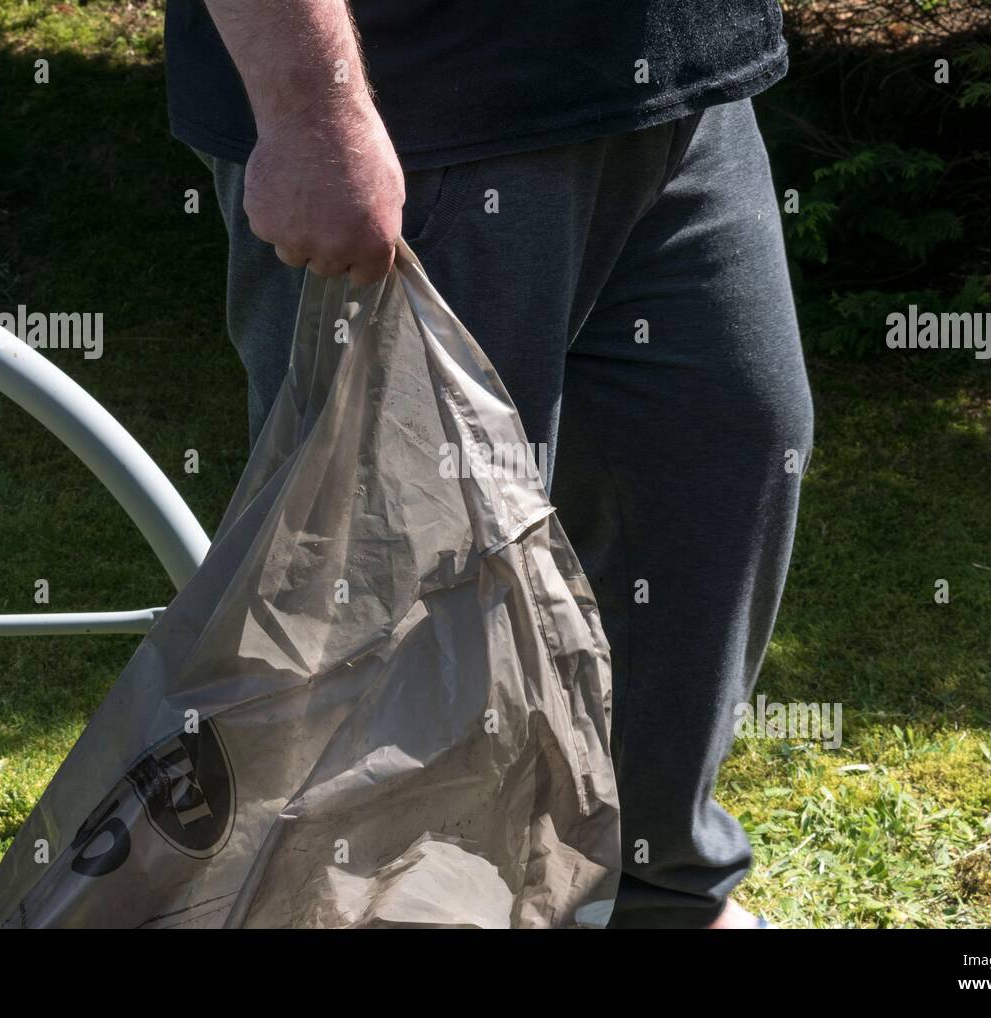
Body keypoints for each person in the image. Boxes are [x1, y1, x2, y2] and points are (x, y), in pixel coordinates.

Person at [164, 0, 814, 929]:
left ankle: (649, 897)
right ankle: (370, 912)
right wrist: (313, 110)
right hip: (417, 114)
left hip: (676, 87)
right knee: (394, 577)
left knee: (721, 466)